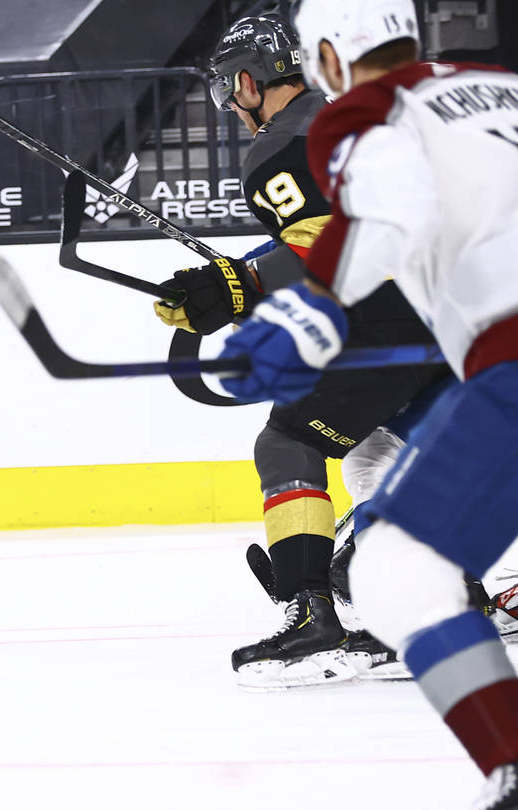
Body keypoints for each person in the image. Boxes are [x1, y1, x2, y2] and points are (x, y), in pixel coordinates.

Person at [220, 1, 518, 804]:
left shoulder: (360, 113)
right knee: (395, 483)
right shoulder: (495, 86)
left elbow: (386, 218)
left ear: (327, 54)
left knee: (394, 575)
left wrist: (303, 313)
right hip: (478, 361)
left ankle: (510, 762)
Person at [153, 13, 449, 689]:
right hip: (455, 313)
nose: (231, 100)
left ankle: (311, 615)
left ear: (251, 81)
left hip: (397, 326)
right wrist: (241, 282)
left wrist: (242, 284)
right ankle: (439, 603)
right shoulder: (358, 115)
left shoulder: (282, 146)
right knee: (383, 455)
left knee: (288, 442)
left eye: (232, 86)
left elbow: (330, 245)